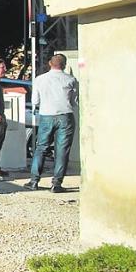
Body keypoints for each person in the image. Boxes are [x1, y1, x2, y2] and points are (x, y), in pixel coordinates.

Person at [25, 53, 78, 193]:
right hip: (65, 116)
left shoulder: (39, 79)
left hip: (46, 115)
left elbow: (35, 101)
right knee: (62, 150)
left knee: (41, 147)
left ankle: (34, 181)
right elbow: (74, 102)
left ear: (50, 63)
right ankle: (56, 184)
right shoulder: (71, 79)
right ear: (65, 65)